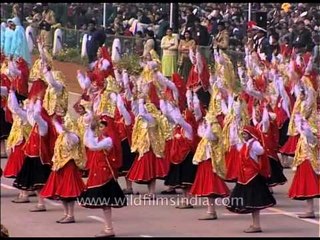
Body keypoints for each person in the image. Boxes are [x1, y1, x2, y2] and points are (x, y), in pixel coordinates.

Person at [78, 116, 126, 237]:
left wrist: (90, 128)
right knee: (104, 203)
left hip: (105, 175)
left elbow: (93, 146)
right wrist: (88, 126)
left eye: (102, 126)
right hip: (98, 173)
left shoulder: (108, 140)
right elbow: (87, 142)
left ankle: (109, 229)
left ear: (107, 127)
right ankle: (108, 228)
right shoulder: (101, 138)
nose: (100, 128)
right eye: (99, 126)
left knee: (105, 202)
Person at [227, 125, 276, 233]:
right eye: (243, 134)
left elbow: (261, 151)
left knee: (254, 203)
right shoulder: (245, 145)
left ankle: (256, 225)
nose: (243, 136)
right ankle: (255, 224)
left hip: (253, 177)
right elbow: (234, 143)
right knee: (251, 203)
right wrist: (233, 128)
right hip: (245, 177)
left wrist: (254, 142)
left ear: (250, 135)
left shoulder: (254, 144)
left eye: (245, 134)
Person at [40, 115, 85, 224]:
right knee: (61, 192)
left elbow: (70, 138)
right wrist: (55, 121)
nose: (64, 123)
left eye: (66, 121)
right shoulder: (63, 135)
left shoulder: (74, 137)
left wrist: (66, 130)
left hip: (69, 165)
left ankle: (71, 214)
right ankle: (66, 214)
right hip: (59, 166)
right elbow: (60, 129)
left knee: (68, 191)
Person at [190, 113, 229, 220]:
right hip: (205, 161)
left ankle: (211, 211)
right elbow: (201, 133)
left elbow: (208, 136)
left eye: (206, 120)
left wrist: (209, 123)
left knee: (210, 188)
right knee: (208, 188)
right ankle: (211, 211)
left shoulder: (215, 129)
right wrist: (204, 124)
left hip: (212, 162)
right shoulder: (209, 128)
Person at [288, 114, 320, 218]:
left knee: (310, 186)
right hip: (304, 161)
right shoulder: (304, 135)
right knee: (308, 187)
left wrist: (303, 121)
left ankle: (310, 210)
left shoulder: (311, 135)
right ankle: (309, 210)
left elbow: (309, 135)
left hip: (309, 161)